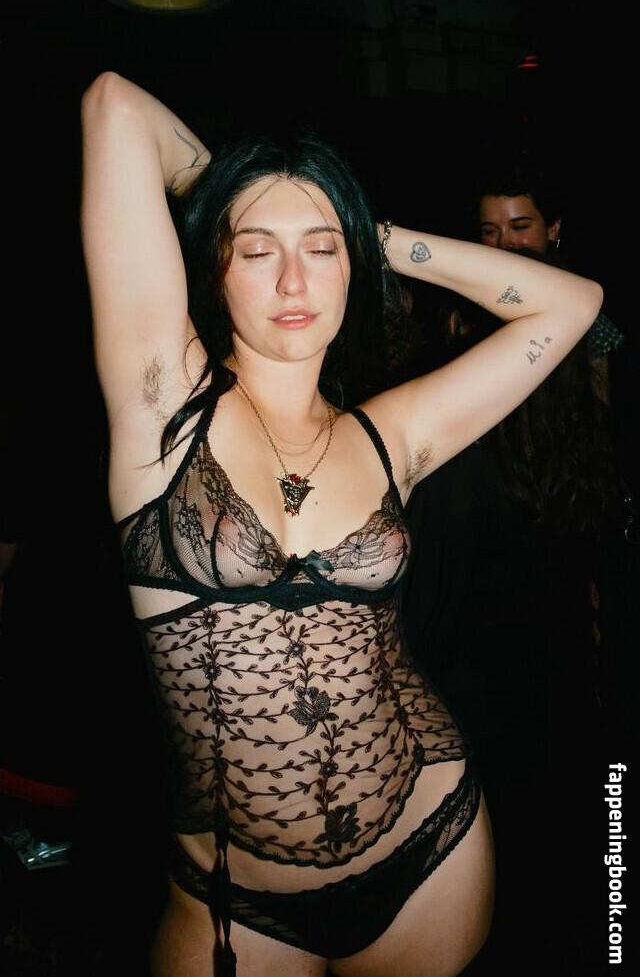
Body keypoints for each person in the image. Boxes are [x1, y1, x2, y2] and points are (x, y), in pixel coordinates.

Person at [79, 70, 602, 977]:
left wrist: (366, 228)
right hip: (238, 902)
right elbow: (113, 106)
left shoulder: (391, 434)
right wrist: (248, 189)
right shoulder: (162, 408)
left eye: (322, 250)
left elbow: (573, 303)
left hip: (432, 842)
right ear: (214, 265)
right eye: (256, 250)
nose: (294, 279)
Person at [400, 259, 624, 972]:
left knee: (496, 918)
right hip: (566, 702)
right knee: (570, 897)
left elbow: (427, 619)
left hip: (479, 721)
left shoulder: (460, 463)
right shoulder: (586, 437)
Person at [474, 161, 624, 403]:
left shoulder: (585, 310)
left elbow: (598, 407)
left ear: (553, 229)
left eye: (520, 227)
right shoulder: (463, 312)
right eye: (490, 231)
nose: (505, 243)